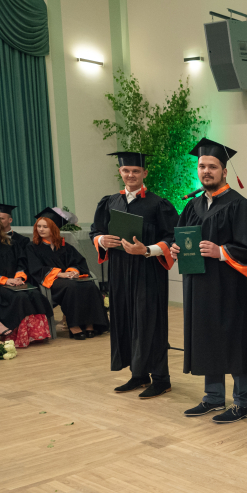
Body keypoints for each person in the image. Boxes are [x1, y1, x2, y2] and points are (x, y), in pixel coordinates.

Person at [171, 138, 247, 423]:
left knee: (234, 340)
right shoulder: (192, 206)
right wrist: (175, 249)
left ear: (224, 170)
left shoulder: (241, 206)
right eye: (202, 166)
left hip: (231, 289)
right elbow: (181, 239)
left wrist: (220, 251)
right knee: (207, 337)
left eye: (212, 166)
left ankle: (243, 402)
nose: (206, 171)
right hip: (199, 286)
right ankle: (213, 398)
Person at [90, 152, 178, 398]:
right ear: (120, 172)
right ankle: (138, 374)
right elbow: (95, 230)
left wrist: (147, 250)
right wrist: (102, 240)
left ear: (144, 173)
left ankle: (161, 379)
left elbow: (173, 237)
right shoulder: (109, 202)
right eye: (126, 170)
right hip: (119, 271)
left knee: (150, 322)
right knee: (126, 319)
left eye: (136, 171)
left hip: (148, 272)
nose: (131, 175)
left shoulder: (158, 204)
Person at [26, 209, 109, 340]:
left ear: (54, 228)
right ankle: (74, 326)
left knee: (90, 286)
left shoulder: (65, 246)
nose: (41, 229)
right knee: (72, 287)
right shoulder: (33, 247)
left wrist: (72, 271)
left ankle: (90, 324)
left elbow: (79, 262)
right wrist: (60, 274)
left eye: (45, 227)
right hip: (50, 282)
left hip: (69, 279)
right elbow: (35, 268)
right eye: (39, 226)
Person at [0, 210, 51, 347]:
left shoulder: (10, 242)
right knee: (20, 297)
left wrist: (19, 277)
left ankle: (36, 334)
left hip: (15, 282)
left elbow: (22, 261)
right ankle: (17, 336)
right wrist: (6, 280)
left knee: (35, 294)